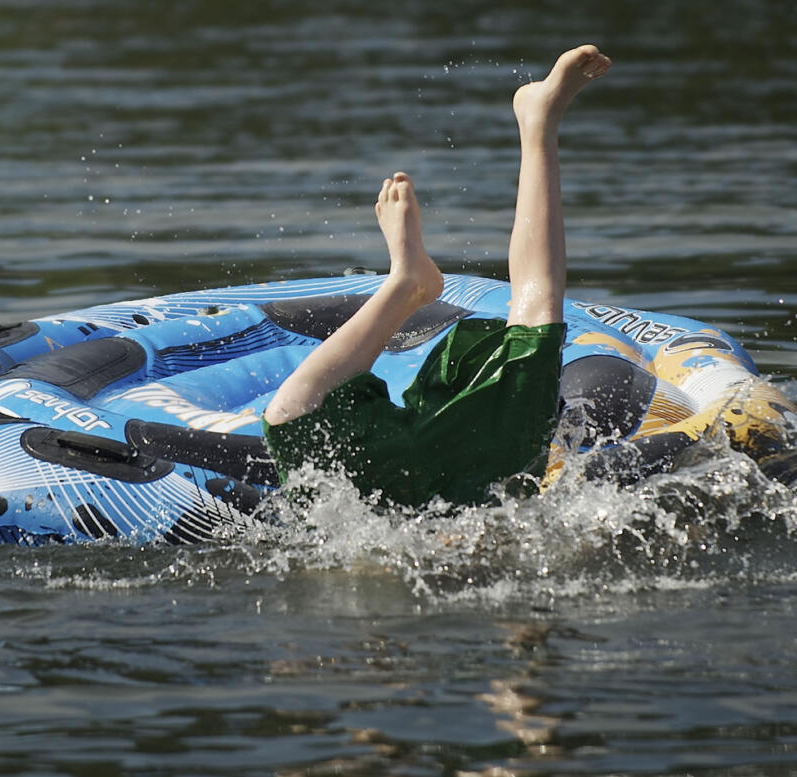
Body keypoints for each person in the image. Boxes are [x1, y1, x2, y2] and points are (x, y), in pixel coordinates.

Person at [262, 44, 612, 508]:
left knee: (289, 417)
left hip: (393, 495)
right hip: (482, 474)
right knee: (538, 319)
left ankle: (407, 284)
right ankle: (538, 124)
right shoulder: (501, 472)